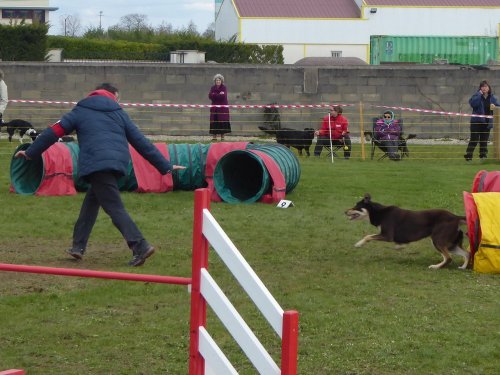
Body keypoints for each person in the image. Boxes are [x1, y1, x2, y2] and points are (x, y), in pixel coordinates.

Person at [15, 83, 186, 267]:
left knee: (114, 208)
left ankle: (140, 246)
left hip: (96, 163)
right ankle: (77, 246)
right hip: (117, 163)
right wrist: (164, 165)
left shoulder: (80, 110)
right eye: (118, 98)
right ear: (112, 95)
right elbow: (141, 142)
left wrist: (31, 152)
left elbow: (53, 132)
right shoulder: (118, 112)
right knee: (91, 203)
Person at [464, 80, 499, 162]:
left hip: (487, 123)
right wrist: (479, 94)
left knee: (484, 140)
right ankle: (469, 156)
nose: (484, 88)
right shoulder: (476, 95)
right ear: (480, 88)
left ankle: (483, 156)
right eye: (482, 86)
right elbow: (473, 104)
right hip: (476, 122)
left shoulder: (492, 98)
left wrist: (495, 107)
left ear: (489, 88)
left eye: (486, 86)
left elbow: (498, 106)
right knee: (474, 139)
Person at [208, 73, 231, 141]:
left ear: (221, 81)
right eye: (216, 80)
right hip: (214, 109)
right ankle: (214, 137)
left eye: (219, 80)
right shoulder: (212, 88)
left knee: (222, 122)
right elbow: (210, 96)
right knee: (214, 122)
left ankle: (222, 137)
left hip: (222, 109)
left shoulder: (224, 88)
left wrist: (214, 94)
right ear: (215, 81)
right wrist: (217, 94)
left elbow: (222, 96)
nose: (218, 81)